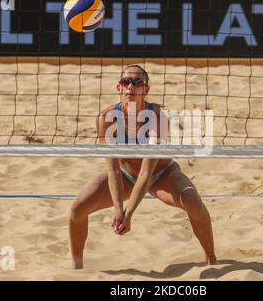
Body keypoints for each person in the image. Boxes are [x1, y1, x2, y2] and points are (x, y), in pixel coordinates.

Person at [68, 64, 216, 269]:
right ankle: (77, 268)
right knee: (77, 209)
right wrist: (118, 208)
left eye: (137, 82)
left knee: (192, 201)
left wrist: (128, 214)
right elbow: (113, 169)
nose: (131, 86)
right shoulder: (106, 118)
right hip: (127, 175)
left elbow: (147, 172)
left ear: (145, 89)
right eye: (126, 82)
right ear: (118, 87)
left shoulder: (157, 116)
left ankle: (211, 260)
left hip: (162, 175)